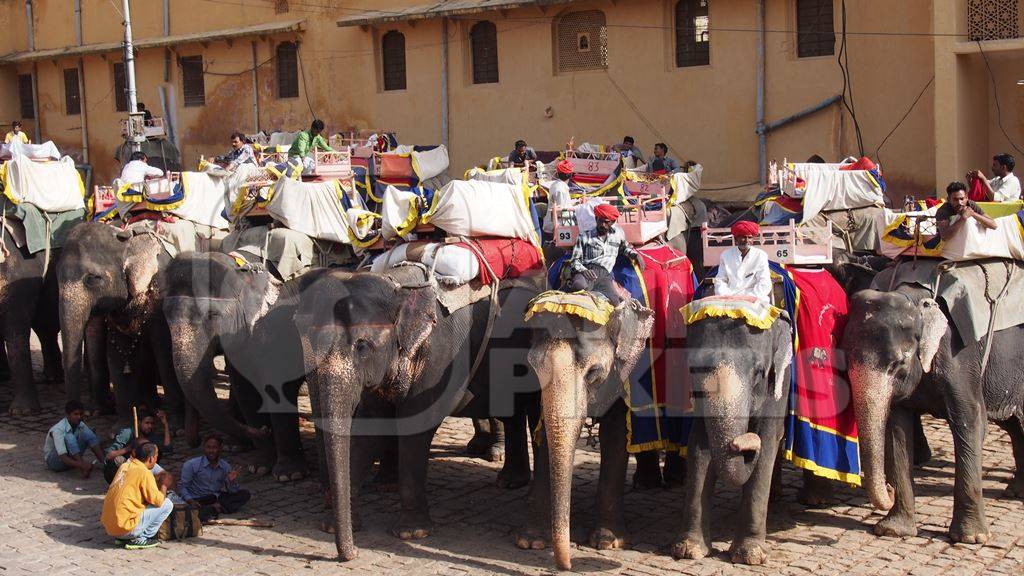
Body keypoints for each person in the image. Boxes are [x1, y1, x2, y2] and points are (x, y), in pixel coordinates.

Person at [566, 203, 646, 305]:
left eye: (606, 222)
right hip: (587, 270)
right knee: (579, 286)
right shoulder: (584, 236)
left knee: (615, 302)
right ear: (596, 218)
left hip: (605, 274)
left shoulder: (618, 234)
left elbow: (625, 248)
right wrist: (584, 271)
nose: (603, 225)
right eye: (600, 221)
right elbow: (574, 260)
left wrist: (635, 255)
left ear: (613, 222)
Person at [101, 442, 173, 550]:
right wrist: (164, 486)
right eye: (156, 456)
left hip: (110, 528)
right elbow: (158, 501)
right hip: (125, 528)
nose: (157, 459)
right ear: (151, 458)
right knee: (167, 504)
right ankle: (142, 538)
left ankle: (123, 538)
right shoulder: (144, 472)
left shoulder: (124, 466)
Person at [178, 435, 250, 522]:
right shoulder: (191, 465)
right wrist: (190, 500)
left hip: (215, 497)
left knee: (245, 494)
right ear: (204, 448)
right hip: (197, 498)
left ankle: (213, 509)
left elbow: (232, 491)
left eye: (215, 447)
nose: (211, 451)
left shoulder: (225, 466)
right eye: (208, 447)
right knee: (193, 512)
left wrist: (231, 481)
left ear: (220, 448)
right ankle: (215, 508)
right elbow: (182, 486)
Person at [104, 410, 173, 484]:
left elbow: (167, 448)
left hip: (144, 467)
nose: (150, 426)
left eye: (152, 423)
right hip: (126, 466)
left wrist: (165, 425)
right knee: (118, 459)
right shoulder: (127, 433)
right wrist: (128, 448)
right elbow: (108, 456)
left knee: (166, 477)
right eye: (147, 423)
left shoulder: (151, 434)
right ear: (139, 423)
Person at [714, 221, 773, 305]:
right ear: (736, 239)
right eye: (743, 237)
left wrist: (747, 298)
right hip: (729, 299)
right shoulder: (726, 255)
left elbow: (764, 283)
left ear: (753, 239)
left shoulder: (760, 255)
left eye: (749, 237)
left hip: (754, 299)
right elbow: (720, 280)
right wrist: (726, 297)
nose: (746, 240)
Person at [43, 400, 104, 477]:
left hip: (71, 459)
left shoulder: (80, 424)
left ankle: (104, 463)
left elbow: (92, 439)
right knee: (69, 437)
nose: (79, 417)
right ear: (68, 415)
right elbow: (63, 457)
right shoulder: (58, 429)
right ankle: (81, 466)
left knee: (88, 433)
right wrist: (82, 465)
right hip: (55, 462)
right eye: (76, 414)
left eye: (81, 414)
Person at [543, 160, 575, 235]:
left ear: (557, 174)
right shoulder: (561, 190)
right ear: (570, 175)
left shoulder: (555, 185)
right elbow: (561, 211)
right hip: (556, 227)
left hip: (554, 223)